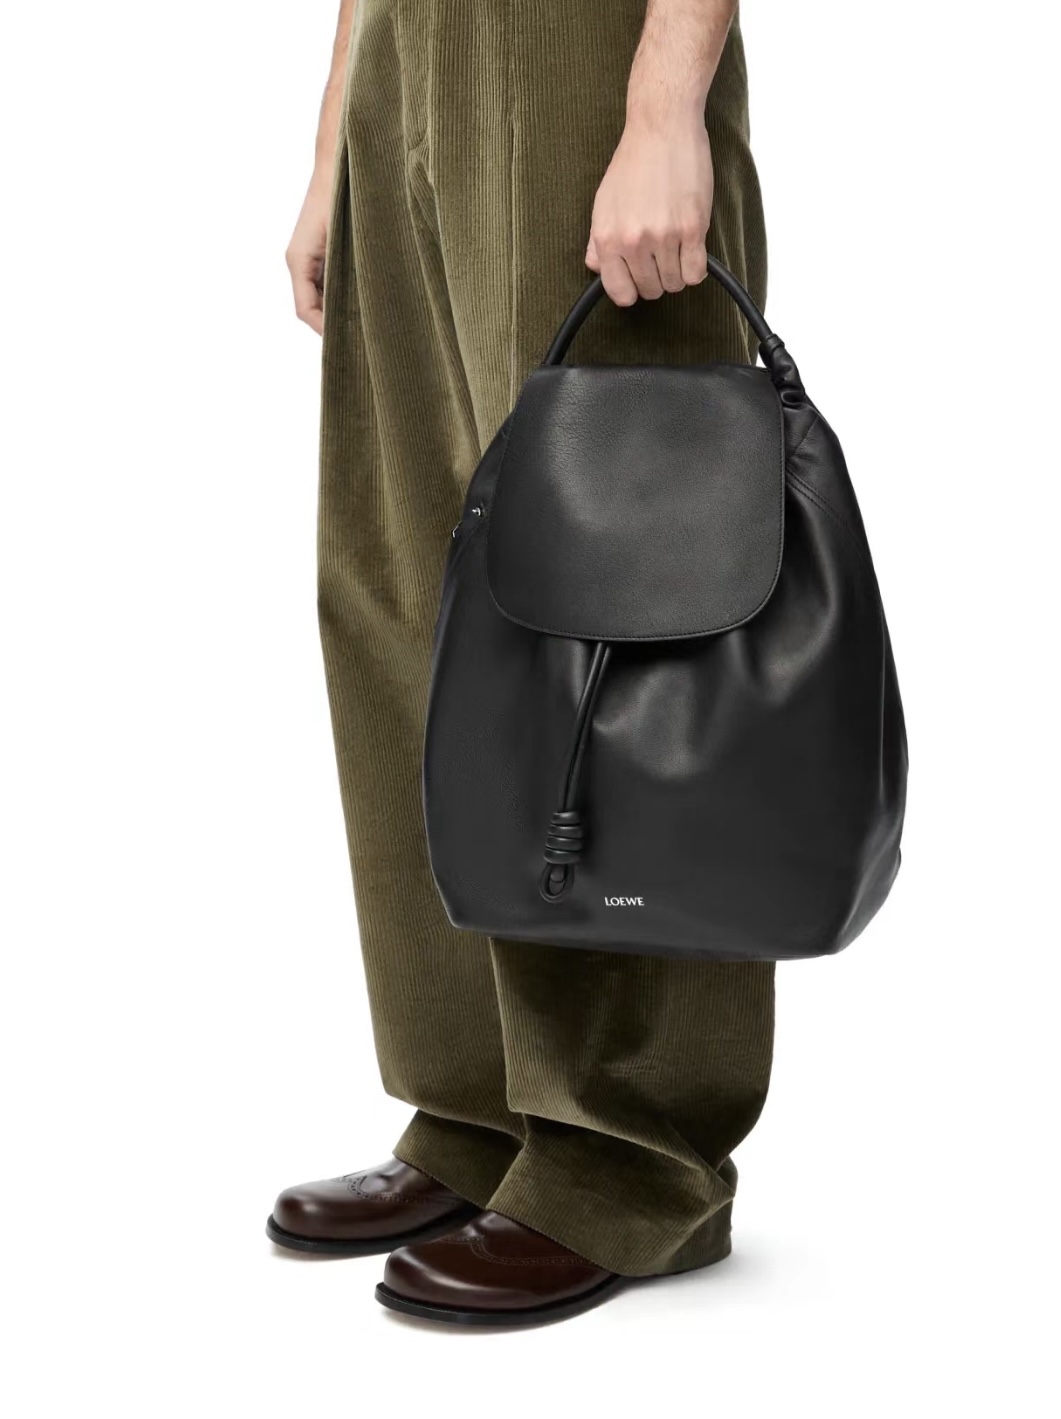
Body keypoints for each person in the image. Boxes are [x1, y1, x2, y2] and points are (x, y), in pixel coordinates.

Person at [271, 0, 775, 1327]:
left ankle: (631, 1155)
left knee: (620, 598)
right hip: (405, 66)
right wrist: (338, 142)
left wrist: (663, 106)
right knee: (406, 593)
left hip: (586, 52)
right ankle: (479, 1108)